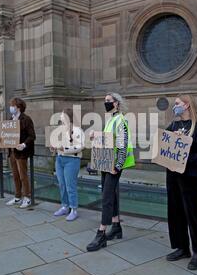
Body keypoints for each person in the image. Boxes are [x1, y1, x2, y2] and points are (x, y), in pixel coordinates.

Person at [165, 94, 197, 271]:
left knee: (191, 214)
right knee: (175, 212)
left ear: (187, 106)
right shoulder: (173, 126)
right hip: (172, 177)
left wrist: (186, 154)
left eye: (177, 104)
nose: (174, 106)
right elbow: (164, 148)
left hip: (189, 178)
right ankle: (182, 247)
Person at [86, 93, 135, 252]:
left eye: (109, 101)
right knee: (111, 195)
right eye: (105, 101)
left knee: (106, 197)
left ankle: (101, 233)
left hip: (113, 165)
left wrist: (118, 165)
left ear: (117, 103)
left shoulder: (120, 120)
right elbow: (107, 140)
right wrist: (95, 135)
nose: (105, 103)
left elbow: (122, 143)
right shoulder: (111, 120)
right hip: (106, 163)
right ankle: (116, 227)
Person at [51, 108, 85, 221]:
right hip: (60, 159)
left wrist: (64, 148)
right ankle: (65, 206)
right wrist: (54, 148)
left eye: (62, 115)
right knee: (62, 184)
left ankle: (74, 209)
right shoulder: (60, 130)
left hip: (72, 160)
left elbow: (80, 146)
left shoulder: (77, 130)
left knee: (70, 185)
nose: (60, 117)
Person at [3, 98, 36, 209]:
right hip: (12, 152)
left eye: (13, 106)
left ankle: (27, 197)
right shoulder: (10, 119)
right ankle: (17, 196)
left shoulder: (26, 119)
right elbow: (7, 135)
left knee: (23, 175)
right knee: (15, 176)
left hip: (22, 152)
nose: (11, 108)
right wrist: (1, 138)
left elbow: (32, 136)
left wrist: (24, 144)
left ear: (19, 107)